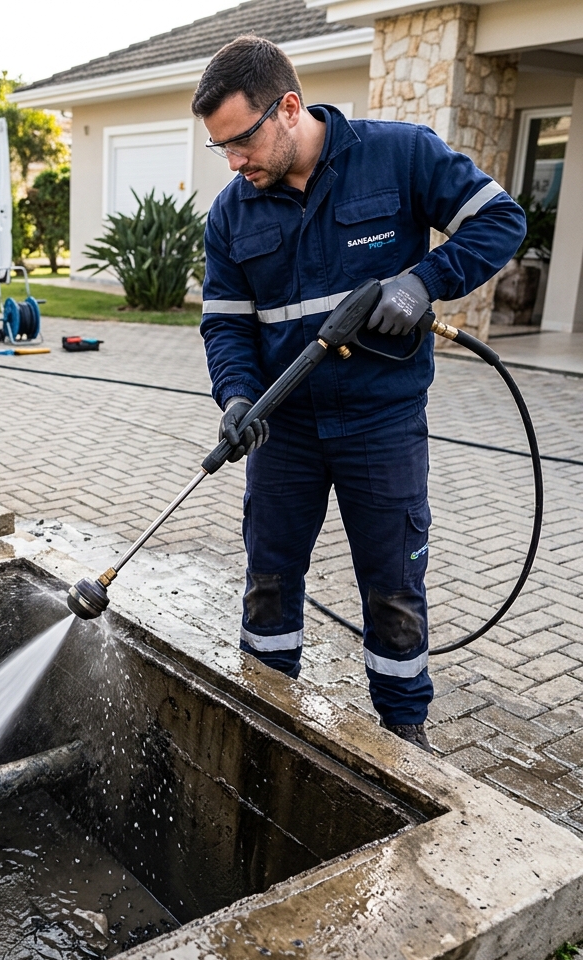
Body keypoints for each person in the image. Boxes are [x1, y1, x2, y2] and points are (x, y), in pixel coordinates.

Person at [194, 36, 525, 752]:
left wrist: (424, 282)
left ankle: (405, 734)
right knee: (269, 581)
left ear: (289, 108)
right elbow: (225, 322)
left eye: (241, 141)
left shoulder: (399, 155)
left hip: (382, 422)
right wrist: (238, 397)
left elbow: (502, 219)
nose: (234, 162)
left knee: (393, 586)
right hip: (284, 430)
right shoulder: (231, 213)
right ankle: (265, 715)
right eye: (221, 147)